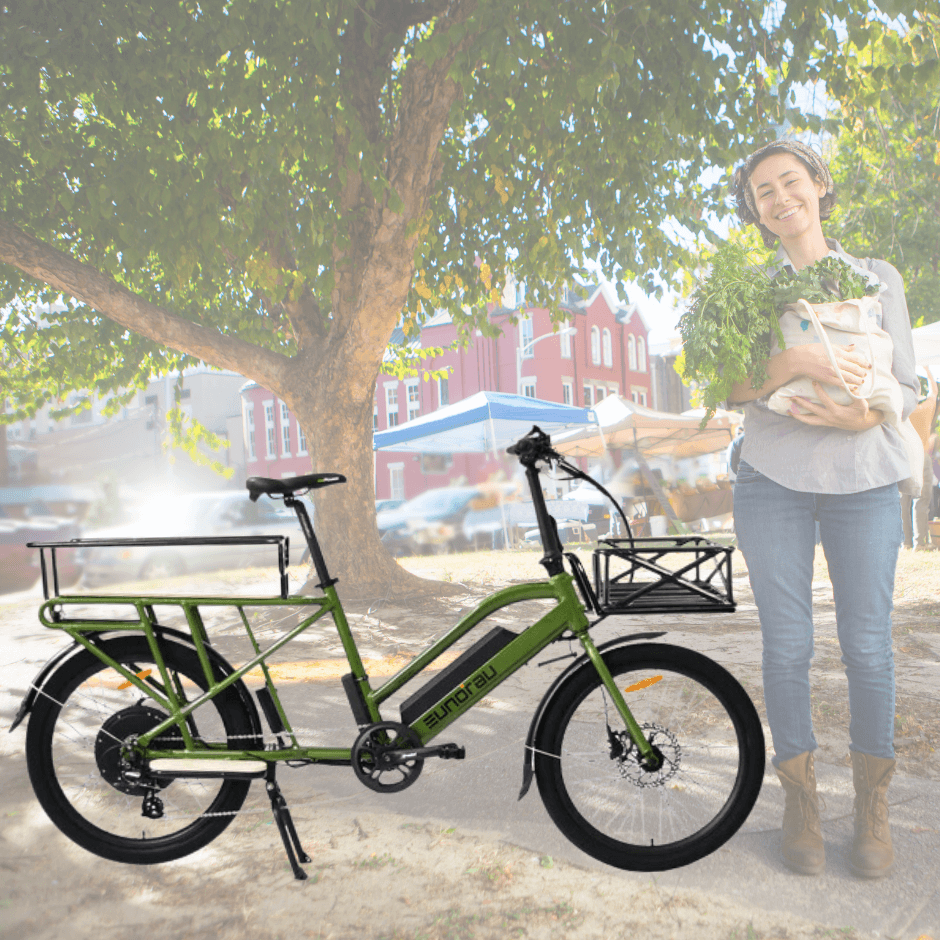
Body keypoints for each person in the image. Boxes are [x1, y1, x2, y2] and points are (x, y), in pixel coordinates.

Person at [726, 139, 917, 879]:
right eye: (762, 193)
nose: (778, 198)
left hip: (864, 476)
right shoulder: (747, 290)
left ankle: (872, 809)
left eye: (789, 182)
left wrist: (866, 418)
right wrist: (800, 363)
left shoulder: (878, 280)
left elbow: (905, 383)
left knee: (868, 645)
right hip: (772, 476)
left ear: (818, 186)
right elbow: (728, 384)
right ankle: (800, 804)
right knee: (787, 647)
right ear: (757, 213)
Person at [900, 370, 938, 550]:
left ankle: (905, 542)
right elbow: (934, 392)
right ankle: (920, 541)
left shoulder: (899, 412)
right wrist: (927, 369)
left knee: (903, 500)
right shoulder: (924, 409)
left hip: (901, 455)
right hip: (921, 456)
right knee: (921, 500)